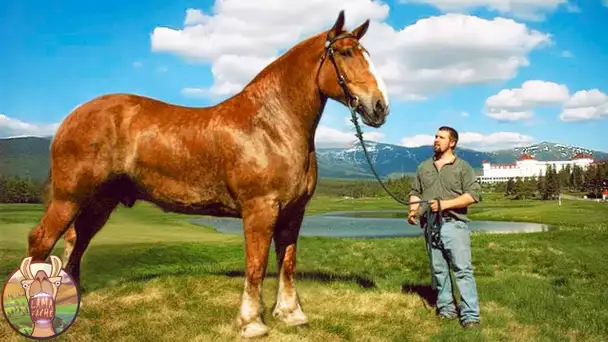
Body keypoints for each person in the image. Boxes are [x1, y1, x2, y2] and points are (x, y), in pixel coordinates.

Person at [407, 126, 481, 328]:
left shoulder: (463, 167)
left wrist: (444, 204)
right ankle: (446, 310)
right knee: (439, 271)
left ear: (452, 142)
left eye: (441, 137)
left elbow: (474, 195)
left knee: (462, 271)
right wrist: (413, 210)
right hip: (430, 226)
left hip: (454, 225)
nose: (436, 140)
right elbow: (416, 192)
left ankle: (470, 316)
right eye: (435, 136)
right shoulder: (424, 167)